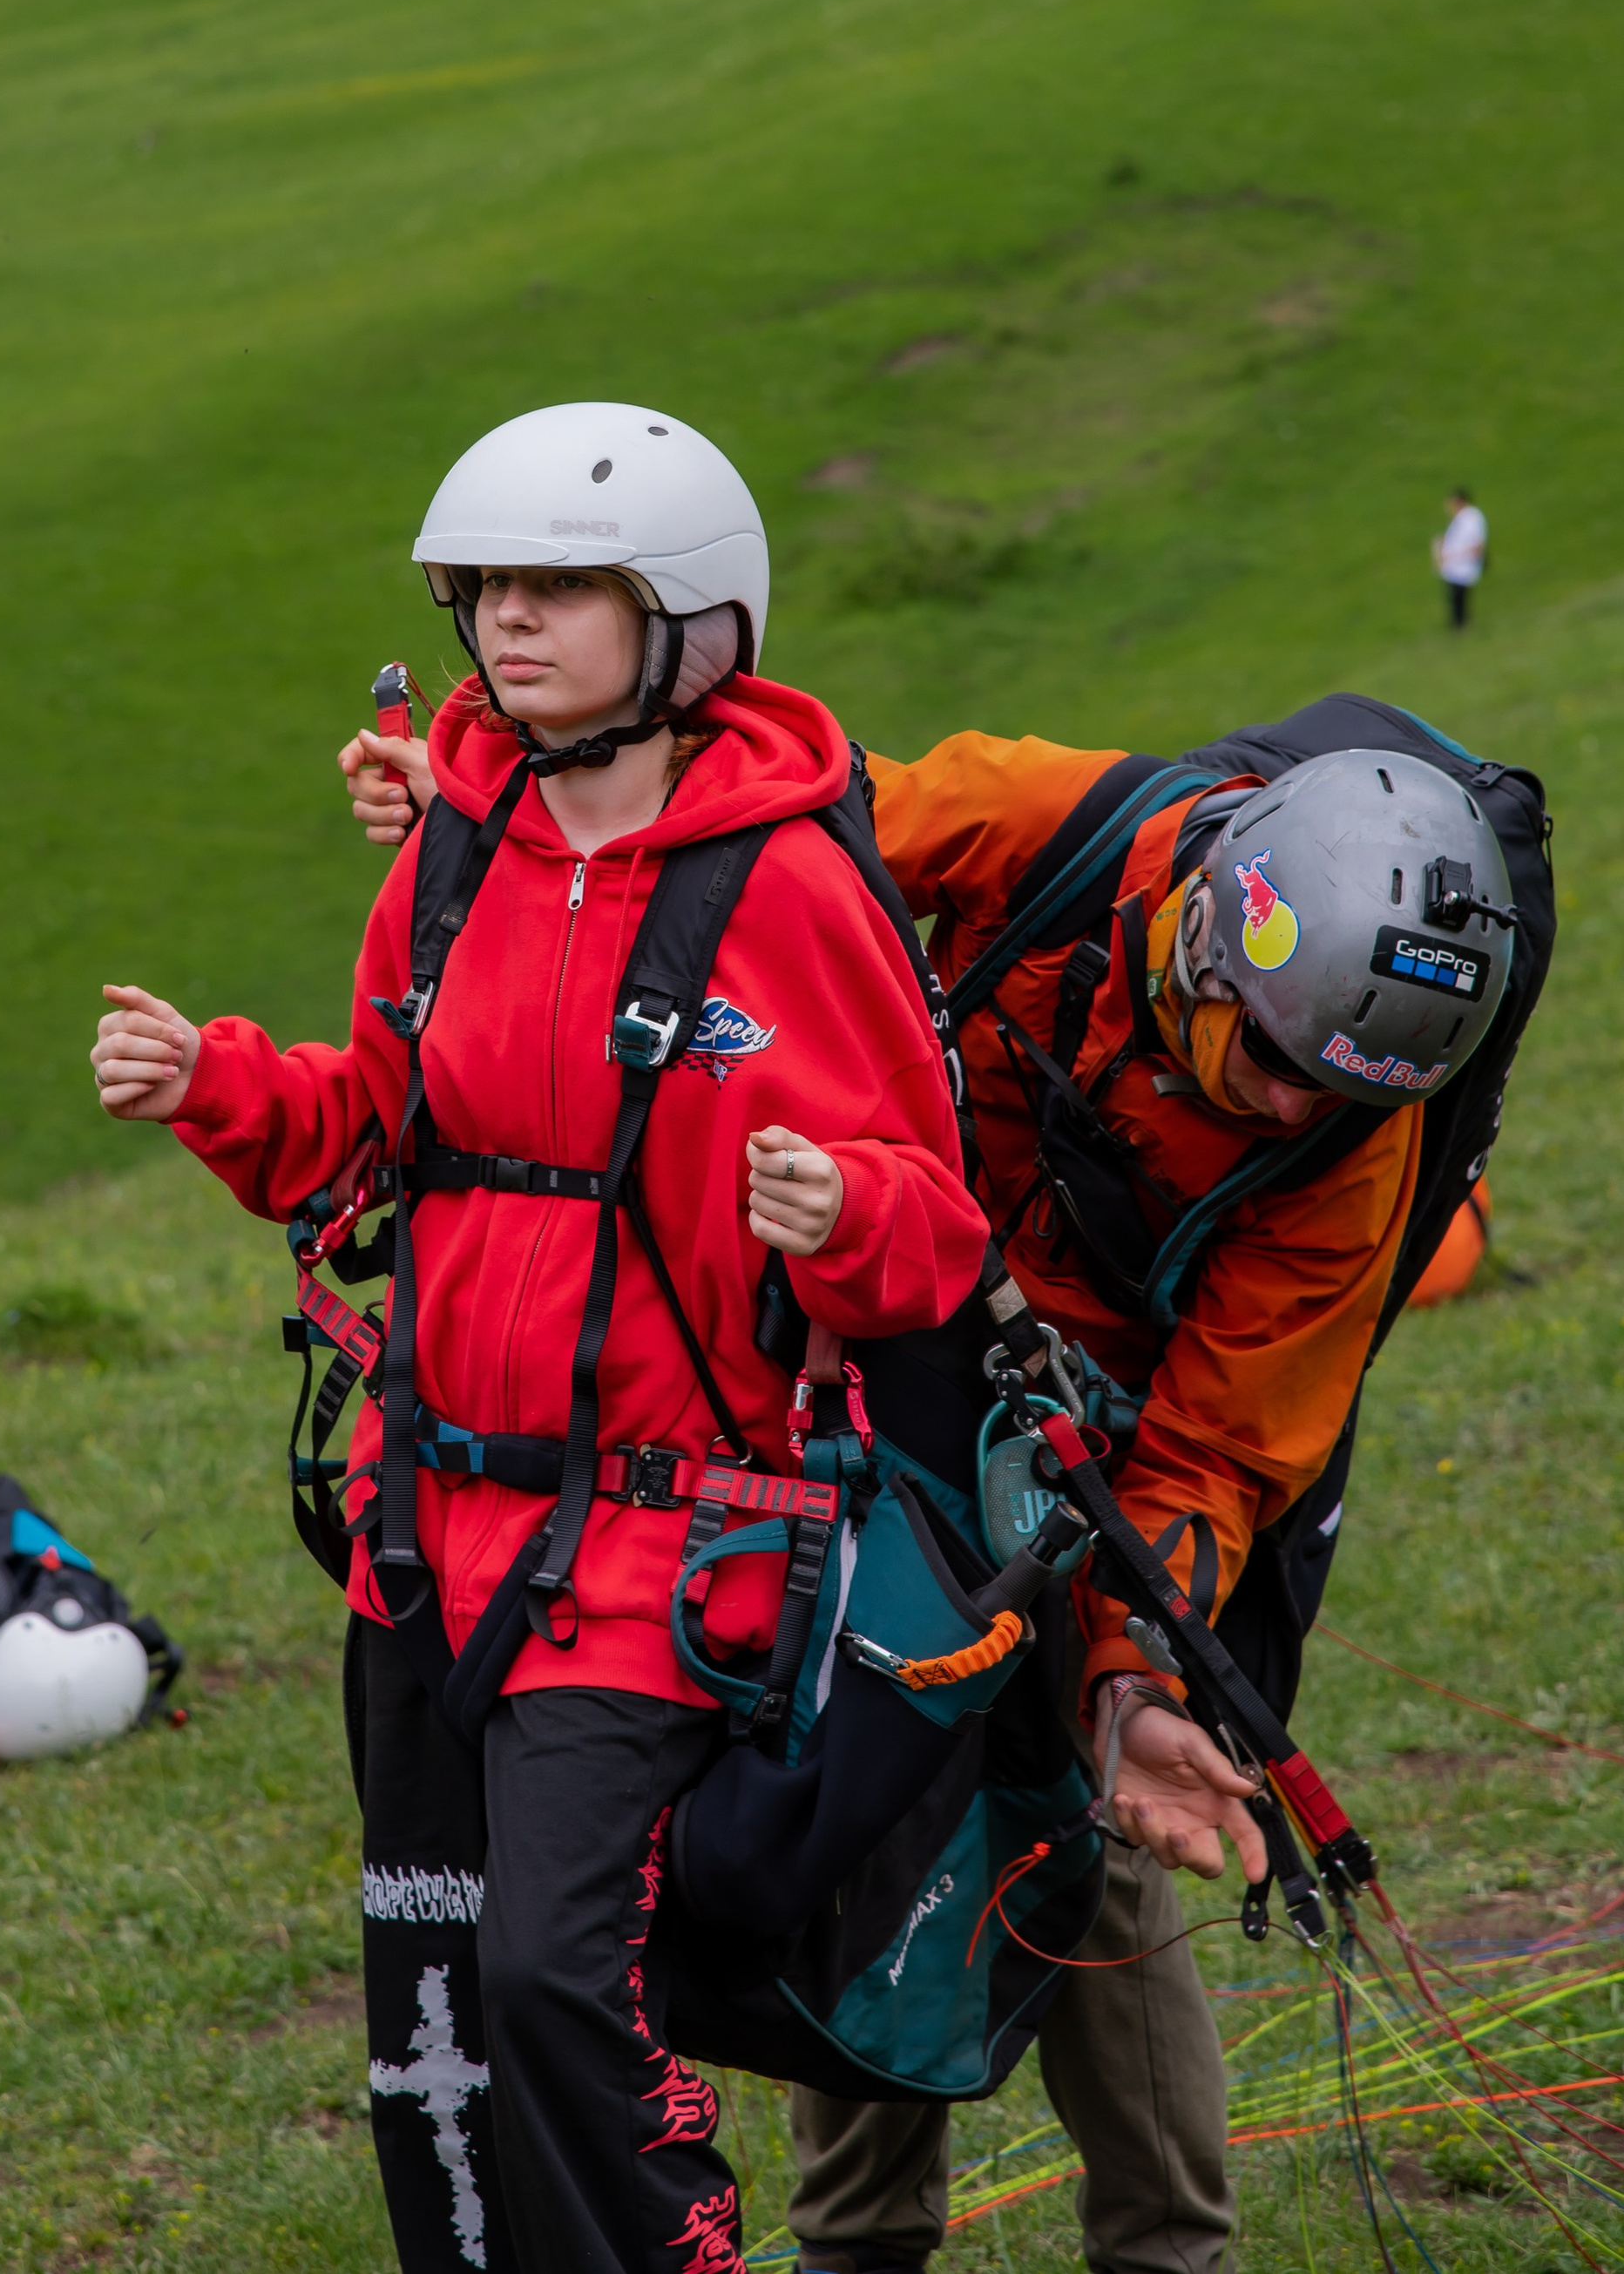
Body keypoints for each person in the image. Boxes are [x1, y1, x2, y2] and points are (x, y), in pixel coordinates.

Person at [346, 707, 1522, 2274]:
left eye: (1337, 1092)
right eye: (1272, 1061)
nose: (1297, 1113)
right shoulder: (1042, 823)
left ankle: (1167, 2252)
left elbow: (1225, 1446)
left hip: (1115, 1451)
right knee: (858, 1769)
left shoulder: (1357, 1150)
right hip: (881, 1337)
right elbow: (742, 849)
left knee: (1087, 1815)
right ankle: (860, 2243)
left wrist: (1126, 1676)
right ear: (1211, 940)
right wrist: (506, 807)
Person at [95, 403, 988, 2274]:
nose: (510, 619)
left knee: (554, 1978)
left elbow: (934, 1231)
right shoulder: (452, 851)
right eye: (489, 585)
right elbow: (368, 1125)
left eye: (562, 587)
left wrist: (840, 1209)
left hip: (661, 1550)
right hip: (426, 1532)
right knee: (434, 2031)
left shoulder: (789, 886)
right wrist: (214, 1085)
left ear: (688, 626)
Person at [1432, 486, 1489, 628]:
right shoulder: (1462, 519)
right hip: (1455, 566)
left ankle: (1461, 627)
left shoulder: (1471, 518)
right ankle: (1460, 626)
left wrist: (1450, 555)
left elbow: (1476, 544)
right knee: (1455, 599)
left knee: (1459, 598)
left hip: (1463, 566)